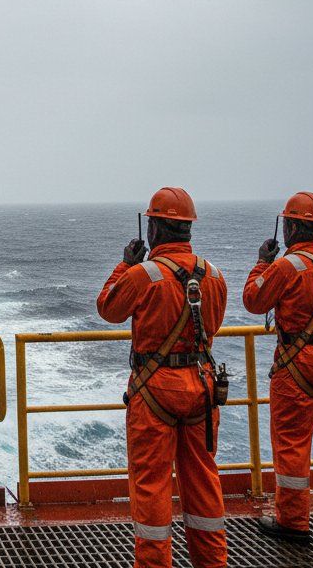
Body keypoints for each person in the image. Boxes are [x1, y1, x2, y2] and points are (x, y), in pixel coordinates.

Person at [96, 187, 228, 568]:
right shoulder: (214, 275)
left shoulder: (143, 274)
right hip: (202, 388)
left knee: (152, 485)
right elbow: (213, 324)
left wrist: (124, 265)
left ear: (153, 229)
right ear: (188, 229)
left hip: (155, 392)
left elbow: (109, 308)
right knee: (203, 480)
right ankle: (212, 561)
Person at [242, 191, 313, 543]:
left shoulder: (288, 266)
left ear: (296, 227)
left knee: (292, 446)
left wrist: (261, 263)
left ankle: (293, 522)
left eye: (287, 223)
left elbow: (254, 300)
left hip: (298, 366)